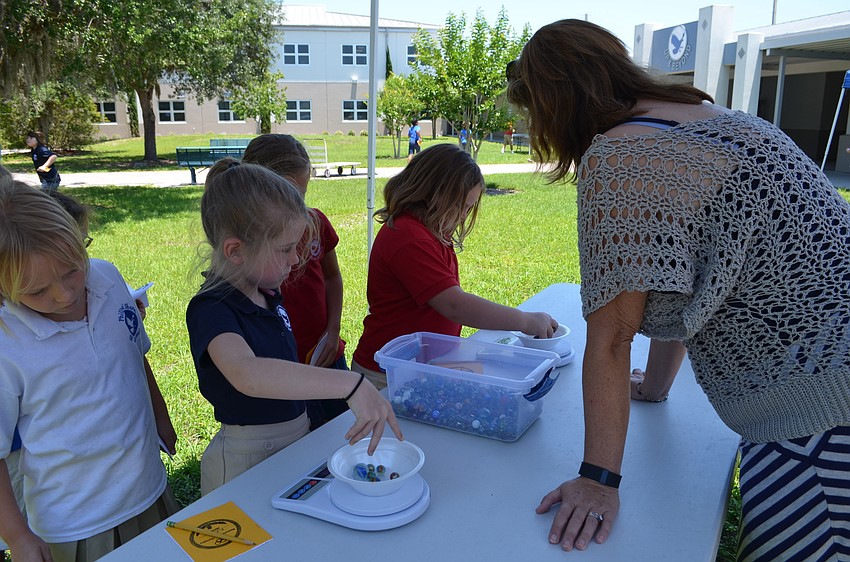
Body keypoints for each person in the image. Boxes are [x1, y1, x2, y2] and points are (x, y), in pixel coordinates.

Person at [507, 19, 850, 559]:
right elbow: (691, 282)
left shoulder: (621, 155)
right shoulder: (724, 122)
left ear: (553, 102)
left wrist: (599, 479)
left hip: (821, 419)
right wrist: (656, 386)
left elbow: (613, 336)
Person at [186, 158, 402, 495]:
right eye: (286, 249)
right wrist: (350, 383)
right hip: (248, 458)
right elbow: (248, 373)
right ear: (235, 250)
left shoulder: (266, 293)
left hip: (294, 439)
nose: (296, 260)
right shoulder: (212, 308)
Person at [0, 175, 177, 561]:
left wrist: (161, 416)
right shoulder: (5, 343)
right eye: (36, 290)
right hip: (76, 525)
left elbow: (135, 355)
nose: (63, 295)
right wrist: (17, 536)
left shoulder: (108, 277)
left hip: (148, 489)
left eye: (71, 270)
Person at [351, 143, 558, 389]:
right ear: (432, 192)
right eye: (461, 206)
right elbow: (454, 305)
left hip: (424, 364)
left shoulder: (430, 230)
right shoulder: (408, 237)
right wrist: (523, 320)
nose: (463, 216)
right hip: (387, 374)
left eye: (469, 208)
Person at [242, 134, 349, 430]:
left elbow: (332, 277)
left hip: (323, 351)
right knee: (300, 438)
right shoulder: (246, 244)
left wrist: (333, 330)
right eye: (288, 194)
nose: (296, 205)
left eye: (301, 194)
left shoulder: (315, 223)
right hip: (280, 364)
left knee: (340, 428)